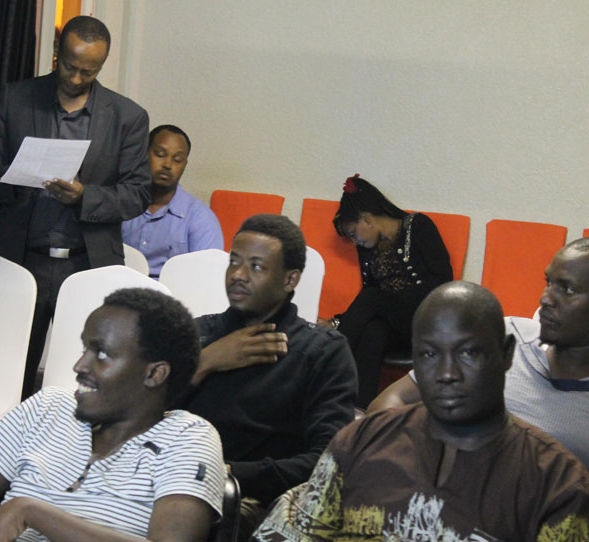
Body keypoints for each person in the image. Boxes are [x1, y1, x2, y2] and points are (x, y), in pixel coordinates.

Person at [253, 281, 589, 541]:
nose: (446, 374)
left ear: (506, 355)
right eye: (429, 355)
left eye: (468, 353)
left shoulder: (557, 482)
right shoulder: (360, 442)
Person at [0, 288, 225, 541]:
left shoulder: (188, 437)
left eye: (100, 354)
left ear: (154, 374)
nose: (79, 366)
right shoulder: (50, 407)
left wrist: (33, 513)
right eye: (84, 348)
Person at [0, 15, 150, 399]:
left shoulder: (127, 117)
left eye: (88, 72)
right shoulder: (15, 98)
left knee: (83, 379)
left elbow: (138, 193)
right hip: (20, 260)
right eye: (70, 67)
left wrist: (85, 196)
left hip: (86, 264)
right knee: (7, 374)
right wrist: (21, 175)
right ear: (57, 54)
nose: (75, 78)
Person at [178, 214, 357, 539]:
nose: (238, 275)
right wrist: (205, 362)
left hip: (252, 497)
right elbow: (143, 415)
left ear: (290, 280)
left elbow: (327, 461)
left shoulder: (322, 352)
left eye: (256, 267)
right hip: (171, 477)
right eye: (234, 262)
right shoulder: (197, 333)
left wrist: (229, 473)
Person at [369, 237, 589, 466]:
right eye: (548, 282)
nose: (545, 298)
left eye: (567, 289)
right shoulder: (503, 336)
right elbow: (391, 400)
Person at [318, 174, 452, 408]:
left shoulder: (418, 226)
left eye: (353, 234)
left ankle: (323, 363)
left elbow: (442, 282)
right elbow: (370, 300)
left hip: (427, 319)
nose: (355, 241)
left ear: (368, 220)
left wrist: (340, 324)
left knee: (373, 298)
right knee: (373, 331)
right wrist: (339, 321)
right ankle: (359, 412)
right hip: (394, 328)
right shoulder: (369, 248)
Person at [122, 124, 223, 279]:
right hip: (118, 294)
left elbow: (208, 278)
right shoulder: (121, 204)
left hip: (172, 300)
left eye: (177, 159)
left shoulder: (200, 218)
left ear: (184, 165)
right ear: (143, 154)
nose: (167, 165)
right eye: (160, 154)